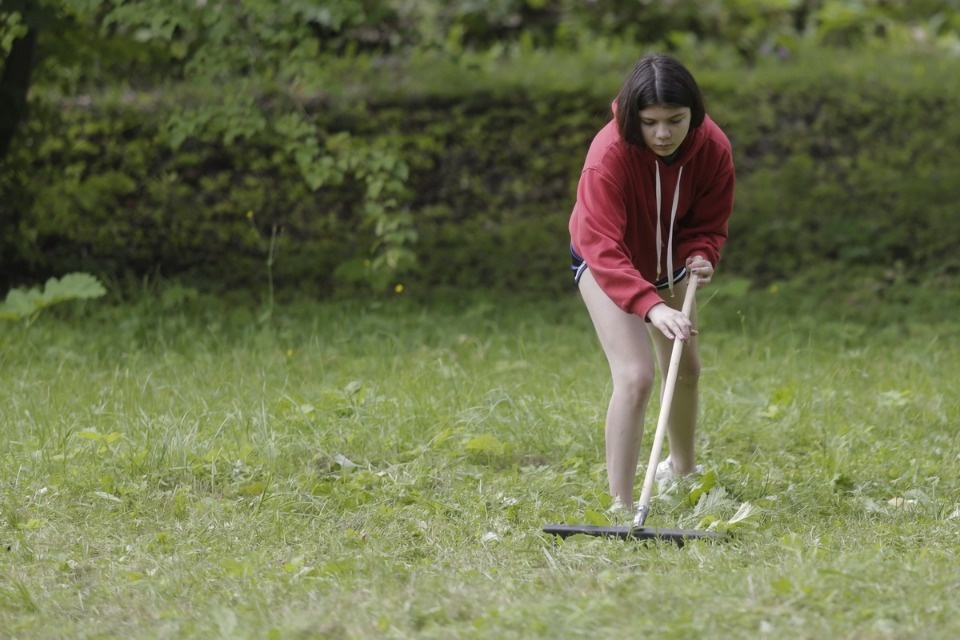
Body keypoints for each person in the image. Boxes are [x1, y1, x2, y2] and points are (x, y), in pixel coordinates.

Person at [568, 53, 735, 513]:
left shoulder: (713, 148)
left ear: (693, 113)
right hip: (607, 263)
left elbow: (708, 220)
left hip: (670, 264)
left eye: (675, 120)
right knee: (636, 376)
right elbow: (601, 244)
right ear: (632, 117)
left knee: (685, 368)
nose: (663, 134)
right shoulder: (608, 157)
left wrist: (702, 252)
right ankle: (620, 507)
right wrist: (651, 305)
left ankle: (682, 470)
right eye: (650, 122)